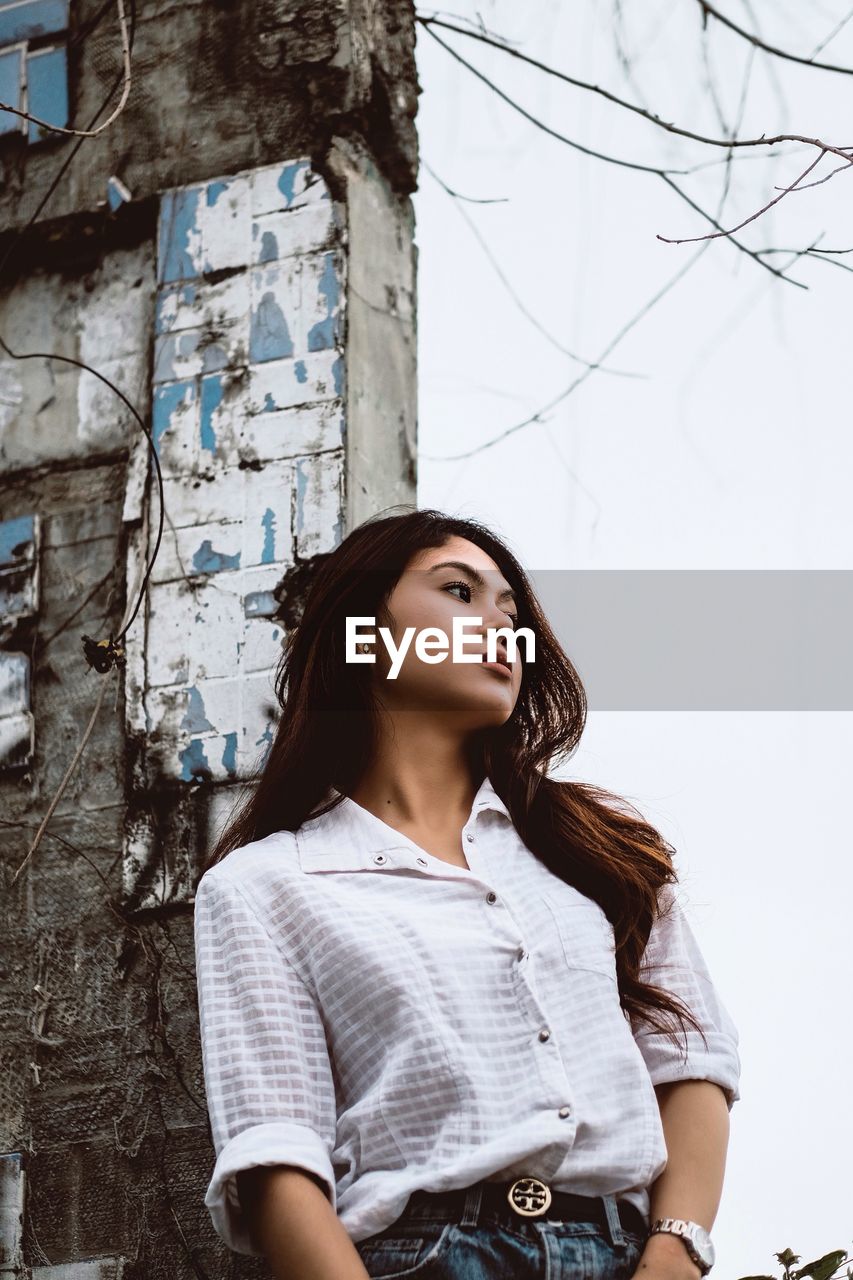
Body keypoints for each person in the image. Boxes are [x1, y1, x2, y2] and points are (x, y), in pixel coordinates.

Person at [192, 507, 741, 1280]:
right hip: (417, 1257)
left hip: (628, 1256)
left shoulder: (602, 849)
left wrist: (675, 1253)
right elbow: (276, 1155)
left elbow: (690, 1064)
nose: (499, 626)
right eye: (459, 591)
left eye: (511, 614)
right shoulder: (261, 886)